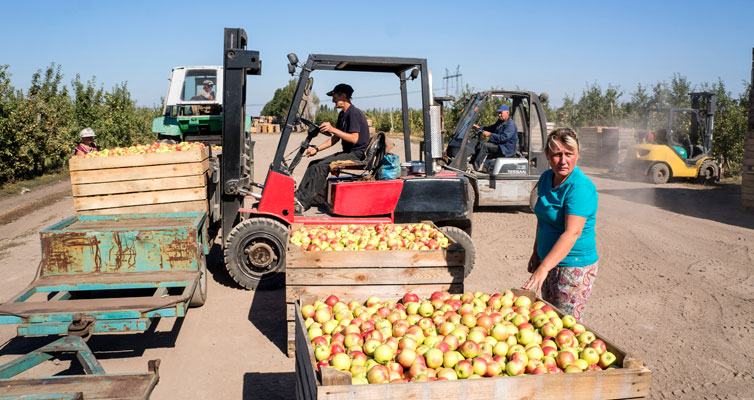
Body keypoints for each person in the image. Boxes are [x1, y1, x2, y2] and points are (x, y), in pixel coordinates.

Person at [522, 128, 599, 321]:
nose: (563, 161)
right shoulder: (546, 178)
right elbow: (543, 218)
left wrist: (544, 268)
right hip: (549, 260)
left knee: (565, 325)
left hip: (573, 268)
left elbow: (572, 233)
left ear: (577, 155)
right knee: (548, 320)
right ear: (548, 156)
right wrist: (536, 250)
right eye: (557, 154)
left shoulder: (579, 187)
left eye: (569, 154)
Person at [294, 83, 370, 212]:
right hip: (348, 152)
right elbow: (335, 138)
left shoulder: (354, 113)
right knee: (314, 163)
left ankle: (303, 203)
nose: (333, 100)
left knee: (322, 166)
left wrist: (332, 129)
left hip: (356, 154)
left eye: (334, 96)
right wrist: (316, 149)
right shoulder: (342, 115)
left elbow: (354, 138)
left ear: (344, 96)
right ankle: (298, 197)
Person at [470, 104, 518, 171]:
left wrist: (490, 134)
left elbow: (503, 138)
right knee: (480, 143)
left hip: (505, 149)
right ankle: (471, 163)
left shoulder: (510, 125)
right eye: (499, 113)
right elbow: (491, 128)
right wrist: (479, 127)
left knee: (485, 146)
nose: (499, 115)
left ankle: (475, 167)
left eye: (501, 113)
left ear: (507, 113)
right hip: (500, 145)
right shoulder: (500, 122)